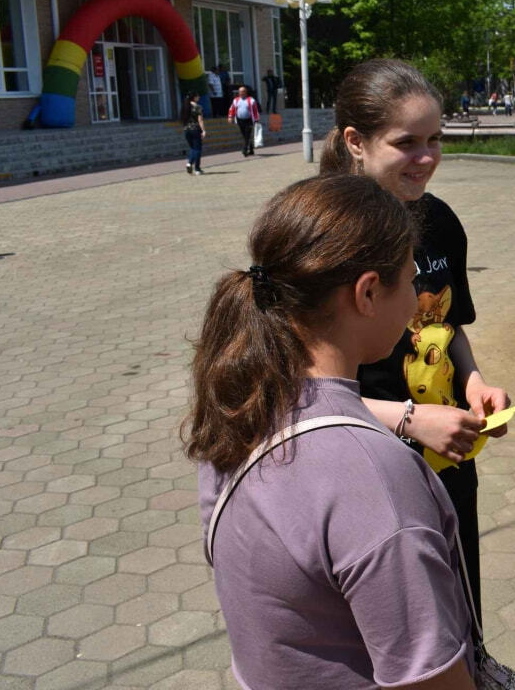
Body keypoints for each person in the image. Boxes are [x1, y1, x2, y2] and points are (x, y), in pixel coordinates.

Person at [189, 174, 477, 690]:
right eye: (411, 280)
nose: (417, 298)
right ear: (368, 292)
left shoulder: (243, 407)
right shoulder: (375, 478)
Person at [319, 58, 512, 625]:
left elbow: (451, 328)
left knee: (456, 610)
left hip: (448, 455)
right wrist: (408, 419)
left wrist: (475, 381)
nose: (427, 158)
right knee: (399, 633)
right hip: (363, 468)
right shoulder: (321, 232)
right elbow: (294, 392)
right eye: (407, 143)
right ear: (356, 141)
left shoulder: (441, 221)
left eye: (435, 140)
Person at [228, 85, 261, 156]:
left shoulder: (251, 100)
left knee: (247, 135)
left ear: (246, 92)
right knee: (245, 136)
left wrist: (256, 119)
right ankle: (251, 149)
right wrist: (230, 117)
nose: (241, 93)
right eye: (240, 91)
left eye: (243, 91)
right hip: (240, 120)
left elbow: (255, 111)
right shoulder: (236, 100)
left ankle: (245, 149)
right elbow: (232, 109)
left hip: (249, 120)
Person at [181, 92, 205, 176]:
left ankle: (191, 164)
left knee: (192, 147)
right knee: (198, 148)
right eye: (197, 96)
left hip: (186, 129)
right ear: (194, 97)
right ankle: (196, 168)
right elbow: (200, 120)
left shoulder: (185, 106)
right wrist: (203, 130)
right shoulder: (197, 107)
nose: (198, 97)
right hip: (195, 129)